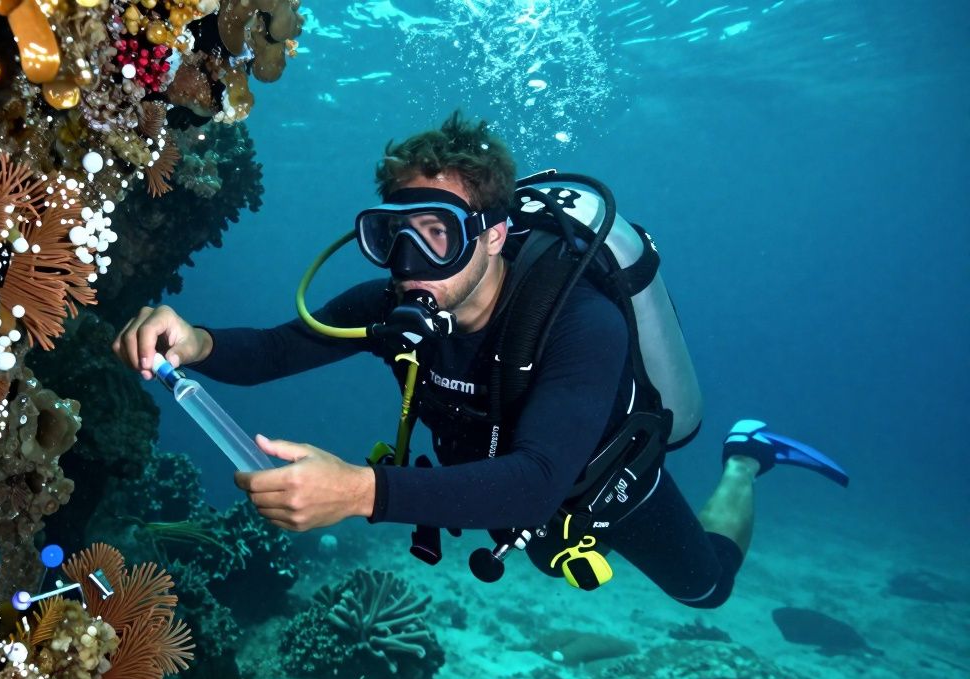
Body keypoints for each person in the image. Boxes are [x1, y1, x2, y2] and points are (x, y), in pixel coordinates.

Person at [112, 112, 847, 608]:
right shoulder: (394, 305)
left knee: (707, 589)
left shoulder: (579, 321)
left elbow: (536, 482)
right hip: (504, 497)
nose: (410, 263)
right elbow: (274, 350)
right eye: (394, 235)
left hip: (602, 484)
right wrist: (197, 340)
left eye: (438, 234)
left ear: (493, 236)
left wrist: (361, 492)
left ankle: (745, 457)